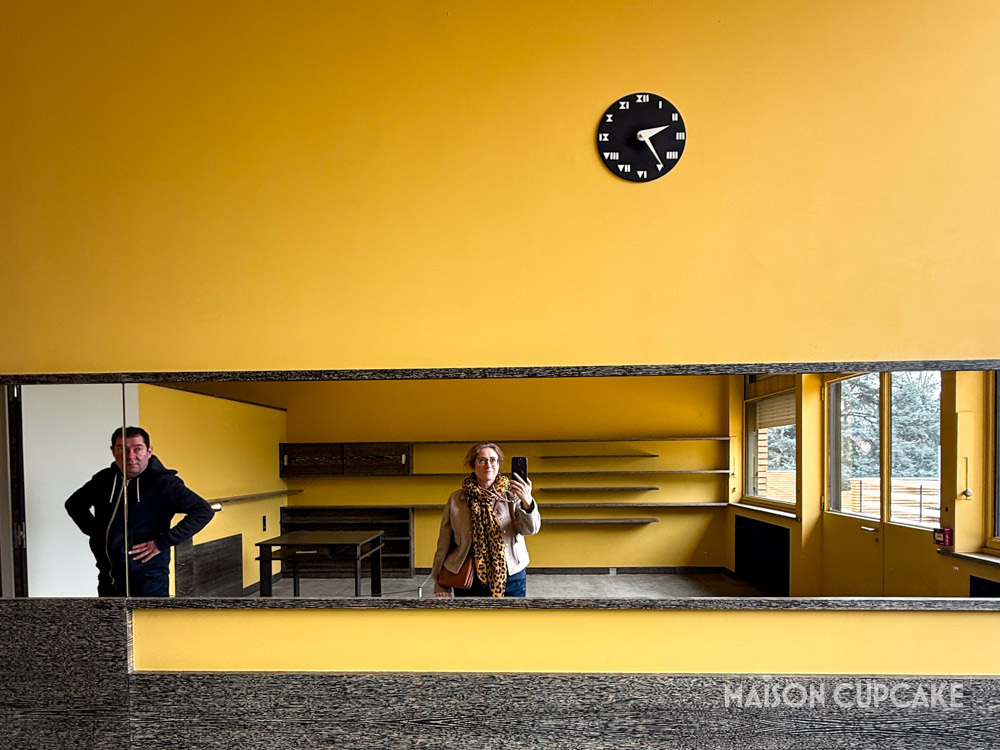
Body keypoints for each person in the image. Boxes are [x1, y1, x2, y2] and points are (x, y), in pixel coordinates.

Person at [65, 426, 214, 597]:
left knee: (152, 623)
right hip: (109, 576)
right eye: (122, 449)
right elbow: (74, 504)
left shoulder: (164, 483)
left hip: (150, 578)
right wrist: (98, 534)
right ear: (113, 451)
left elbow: (203, 511)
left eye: (138, 449)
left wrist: (162, 542)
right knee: (111, 624)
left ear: (149, 451)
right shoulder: (104, 479)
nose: (130, 456)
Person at [432, 442, 541, 597]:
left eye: (493, 460)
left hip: (511, 575)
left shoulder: (513, 495)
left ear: (498, 465)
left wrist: (527, 502)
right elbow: (444, 543)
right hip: (468, 575)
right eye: (482, 460)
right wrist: (440, 582)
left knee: (511, 620)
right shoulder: (457, 498)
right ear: (473, 465)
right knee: (471, 620)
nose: (488, 464)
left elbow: (530, 529)